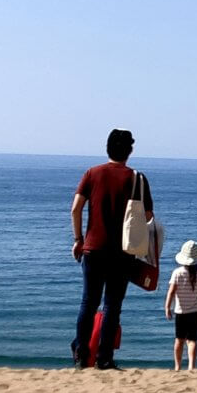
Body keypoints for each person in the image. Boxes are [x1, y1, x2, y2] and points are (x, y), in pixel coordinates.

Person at [70, 128, 153, 369]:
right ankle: (104, 358)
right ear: (130, 151)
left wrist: (78, 239)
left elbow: (75, 209)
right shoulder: (137, 178)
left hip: (93, 249)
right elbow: (147, 217)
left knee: (88, 302)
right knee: (112, 305)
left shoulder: (92, 173)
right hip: (123, 252)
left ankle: (81, 354)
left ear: (107, 147)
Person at [164, 240, 197, 371]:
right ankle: (191, 367)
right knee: (192, 340)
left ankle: (177, 367)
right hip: (195, 312)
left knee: (179, 339)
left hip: (181, 312)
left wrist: (167, 307)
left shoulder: (177, 273)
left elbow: (171, 292)